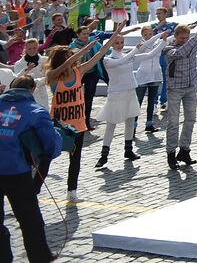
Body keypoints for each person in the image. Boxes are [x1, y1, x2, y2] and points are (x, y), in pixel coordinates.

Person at [0, 74, 62, 263]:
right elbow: (51, 145)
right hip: (17, 172)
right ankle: (39, 257)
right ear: (32, 90)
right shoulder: (35, 111)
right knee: (30, 220)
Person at [44, 33, 113, 202]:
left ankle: (72, 191)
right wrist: (85, 48)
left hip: (77, 124)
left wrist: (116, 33)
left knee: (75, 159)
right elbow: (65, 64)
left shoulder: (78, 71)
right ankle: (35, 187)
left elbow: (99, 54)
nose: (73, 60)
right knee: (47, 157)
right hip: (58, 124)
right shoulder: (52, 76)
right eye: (69, 57)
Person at [94, 28, 164, 168]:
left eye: (121, 42)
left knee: (130, 121)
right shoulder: (108, 59)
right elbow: (122, 61)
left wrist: (162, 38)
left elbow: (149, 53)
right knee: (111, 124)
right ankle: (104, 155)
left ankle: (128, 150)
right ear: (111, 45)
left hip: (130, 92)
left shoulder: (128, 54)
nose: (120, 45)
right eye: (117, 43)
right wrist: (135, 50)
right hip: (116, 94)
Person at [162, 13, 197, 169]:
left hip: (191, 87)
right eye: (182, 38)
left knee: (190, 120)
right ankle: (171, 154)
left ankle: (184, 150)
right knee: (173, 122)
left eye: (187, 38)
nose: (184, 41)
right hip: (175, 89)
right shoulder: (169, 49)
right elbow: (181, 53)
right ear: (176, 36)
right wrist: (192, 40)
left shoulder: (191, 44)